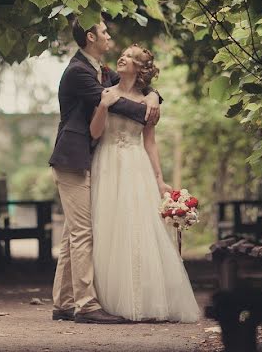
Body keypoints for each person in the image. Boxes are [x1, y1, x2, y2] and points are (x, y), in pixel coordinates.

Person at [49, 19, 162, 324]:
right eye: (104, 32)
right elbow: (116, 104)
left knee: (73, 232)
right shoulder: (78, 72)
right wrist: (150, 113)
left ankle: (63, 302)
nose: (109, 36)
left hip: (87, 157)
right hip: (72, 157)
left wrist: (155, 96)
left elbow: (136, 86)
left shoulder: (100, 69)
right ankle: (85, 305)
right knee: (83, 232)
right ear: (90, 37)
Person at [89, 44, 201, 323]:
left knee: (138, 227)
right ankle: (109, 300)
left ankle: (142, 298)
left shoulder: (149, 102)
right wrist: (103, 105)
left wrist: (159, 179)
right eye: (123, 54)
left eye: (130, 56)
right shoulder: (107, 92)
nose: (122, 57)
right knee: (109, 227)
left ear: (139, 69)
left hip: (136, 164)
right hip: (106, 162)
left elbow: (150, 143)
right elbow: (94, 132)